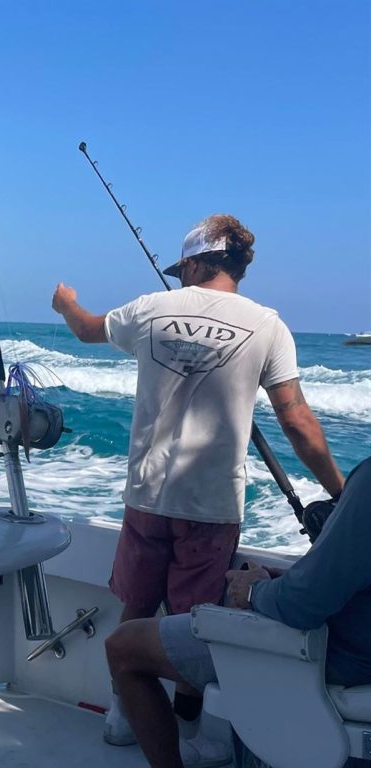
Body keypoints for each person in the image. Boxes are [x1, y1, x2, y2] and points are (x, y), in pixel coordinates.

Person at [51, 214, 345, 746]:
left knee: (137, 605)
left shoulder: (151, 307)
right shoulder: (269, 324)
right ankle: (192, 727)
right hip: (212, 506)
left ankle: (124, 718)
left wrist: (65, 302)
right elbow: (297, 421)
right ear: (237, 266)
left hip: (147, 496)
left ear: (192, 263)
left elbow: (86, 329)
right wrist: (344, 494)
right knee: (192, 622)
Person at [106, 456, 371, 768]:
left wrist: (252, 589)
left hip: (332, 655)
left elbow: (300, 607)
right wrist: (290, 579)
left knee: (124, 647)